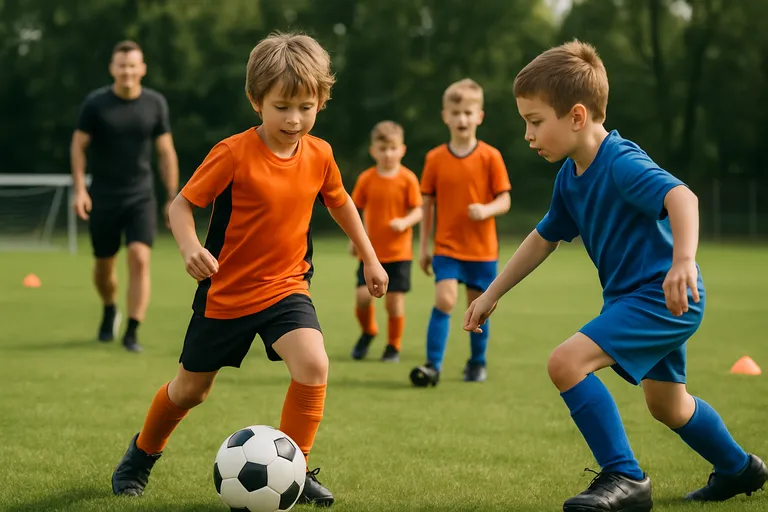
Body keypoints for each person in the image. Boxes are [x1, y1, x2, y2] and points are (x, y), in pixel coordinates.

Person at [463, 40, 767, 512]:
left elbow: (683, 198)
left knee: (566, 363)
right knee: (668, 405)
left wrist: (684, 260)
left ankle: (625, 476)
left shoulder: (620, 161)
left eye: (535, 121)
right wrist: (492, 293)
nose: (527, 134)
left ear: (578, 116)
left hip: (662, 295)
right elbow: (543, 238)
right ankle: (739, 469)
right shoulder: (570, 176)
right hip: (639, 301)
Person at [110, 32, 388, 507]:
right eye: (282, 106)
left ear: (321, 100)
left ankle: (294, 471)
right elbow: (180, 207)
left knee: (314, 364)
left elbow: (341, 204)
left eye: (306, 106)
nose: (294, 119)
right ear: (255, 100)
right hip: (226, 295)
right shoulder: (233, 153)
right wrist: (190, 247)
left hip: (286, 287)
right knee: (190, 390)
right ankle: (140, 455)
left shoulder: (320, 154)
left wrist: (370, 256)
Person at [70, 40, 179, 352]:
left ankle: (132, 331)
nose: (127, 71)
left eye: (133, 65)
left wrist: (171, 196)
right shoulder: (95, 105)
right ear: (112, 68)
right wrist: (80, 190)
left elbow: (165, 152)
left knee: (139, 257)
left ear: (142, 69)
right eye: (122, 65)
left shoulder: (155, 104)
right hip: (103, 196)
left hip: (140, 196)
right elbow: (78, 146)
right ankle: (109, 308)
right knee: (104, 268)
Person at [409, 78, 511, 386]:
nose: (462, 119)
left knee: (479, 307)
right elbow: (427, 206)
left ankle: (477, 362)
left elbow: (505, 199)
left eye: (468, 112)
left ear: (479, 116)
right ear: (445, 116)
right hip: (447, 247)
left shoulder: (490, 156)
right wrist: (424, 247)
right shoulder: (434, 158)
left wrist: (487, 209)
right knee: (444, 300)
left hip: (482, 249)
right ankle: (432, 366)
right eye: (456, 113)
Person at [349, 121, 422, 363]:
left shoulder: (408, 179)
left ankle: (393, 346)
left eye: (393, 148)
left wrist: (405, 222)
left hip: (399, 254)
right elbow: (355, 209)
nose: (388, 153)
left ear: (402, 149)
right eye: (383, 148)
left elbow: (418, 211)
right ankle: (368, 331)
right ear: (374, 151)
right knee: (362, 297)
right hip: (371, 255)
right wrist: (355, 240)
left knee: (393, 303)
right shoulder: (367, 179)